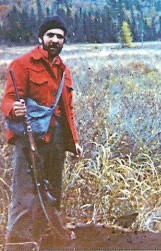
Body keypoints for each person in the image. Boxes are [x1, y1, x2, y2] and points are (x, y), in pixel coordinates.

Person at [2, 15, 82, 247]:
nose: (55, 40)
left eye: (59, 36)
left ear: (64, 41)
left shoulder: (64, 71)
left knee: (52, 196)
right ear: (41, 38)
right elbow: (7, 101)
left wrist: (73, 142)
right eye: (50, 35)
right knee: (25, 199)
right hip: (29, 141)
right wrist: (13, 109)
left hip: (56, 141)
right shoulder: (22, 64)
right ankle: (18, 246)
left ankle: (46, 243)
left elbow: (68, 110)